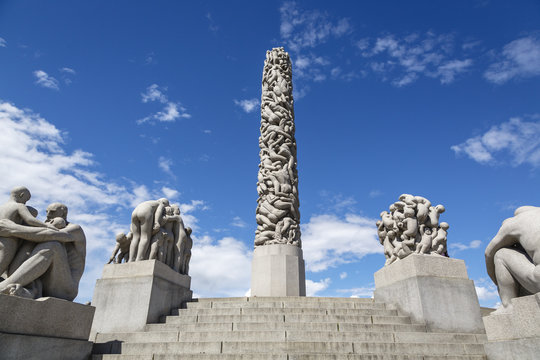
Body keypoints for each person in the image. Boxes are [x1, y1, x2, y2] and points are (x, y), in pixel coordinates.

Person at [0, 202, 86, 301]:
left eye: (52, 212)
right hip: (42, 283)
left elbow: (51, 235)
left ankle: (4, 286)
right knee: (30, 240)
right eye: (47, 212)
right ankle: (28, 290)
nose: (48, 215)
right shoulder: (47, 226)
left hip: (64, 289)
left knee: (53, 246)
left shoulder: (75, 229)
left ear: (63, 213)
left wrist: (12, 228)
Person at [485, 206, 540, 313]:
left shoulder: (513, 223)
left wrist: (498, 283)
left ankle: (507, 306)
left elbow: (488, 254)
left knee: (500, 254)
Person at [0, 186, 58, 277]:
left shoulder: (1, 207)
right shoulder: (19, 205)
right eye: (26, 200)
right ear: (21, 195)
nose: (25, 203)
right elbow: (29, 219)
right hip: (8, 241)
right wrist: (47, 225)